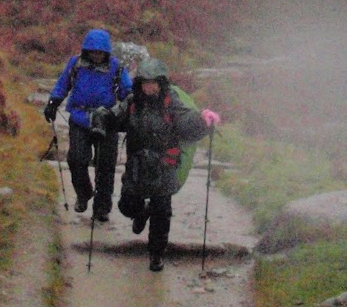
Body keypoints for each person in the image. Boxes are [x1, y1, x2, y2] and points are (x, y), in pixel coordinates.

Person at [92, 58, 220, 272]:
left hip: (165, 166)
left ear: (161, 83)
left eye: (153, 83)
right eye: (145, 83)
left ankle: (156, 255)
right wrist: (101, 119)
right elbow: (115, 117)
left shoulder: (172, 103)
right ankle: (142, 212)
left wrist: (203, 121)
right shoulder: (132, 103)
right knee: (126, 206)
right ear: (139, 84)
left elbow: (188, 123)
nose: (149, 87)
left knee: (162, 213)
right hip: (137, 165)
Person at [44, 29, 132, 221]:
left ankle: (102, 208)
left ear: (107, 52)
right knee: (76, 159)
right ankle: (84, 194)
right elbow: (62, 84)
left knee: (106, 167)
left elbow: (128, 91)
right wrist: (53, 102)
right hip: (79, 118)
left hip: (107, 121)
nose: (97, 55)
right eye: (93, 51)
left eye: (100, 52)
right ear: (87, 50)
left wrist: (126, 107)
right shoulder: (75, 64)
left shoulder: (116, 67)